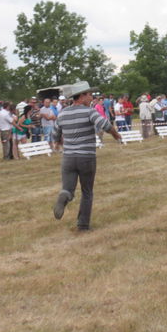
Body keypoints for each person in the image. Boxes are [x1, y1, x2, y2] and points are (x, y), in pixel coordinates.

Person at [52, 80, 122, 231]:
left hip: (68, 158)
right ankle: (83, 225)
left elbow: (55, 133)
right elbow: (105, 125)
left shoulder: (62, 113)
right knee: (87, 191)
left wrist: (57, 143)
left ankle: (64, 197)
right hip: (86, 157)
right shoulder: (89, 112)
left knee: (68, 189)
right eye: (89, 94)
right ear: (81, 96)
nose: (92, 97)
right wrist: (116, 136)